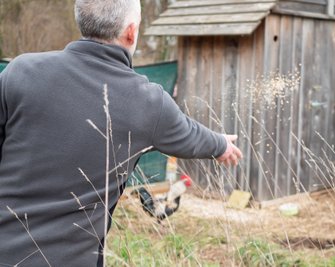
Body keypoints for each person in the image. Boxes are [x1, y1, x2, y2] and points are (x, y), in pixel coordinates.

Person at [0, 0, 243, 266]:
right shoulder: (148, 102)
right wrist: (221, 145)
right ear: (131, 31)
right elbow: (189, 134)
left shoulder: (20, 71)